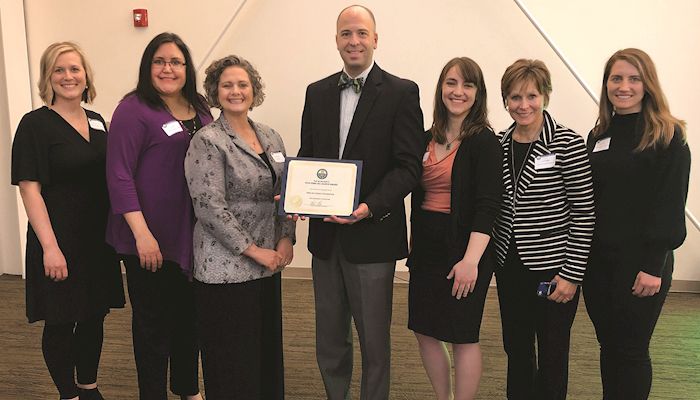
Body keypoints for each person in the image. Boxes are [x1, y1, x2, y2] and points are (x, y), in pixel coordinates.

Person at [297, 5, 425, 400]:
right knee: (329, 338)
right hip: (325, 240)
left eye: (361, 34)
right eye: (346, 34)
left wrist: (368, 207)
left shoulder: (402, 92)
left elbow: (408, 167)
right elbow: (308, 155)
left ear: (375, 39)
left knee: (374, 342)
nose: (354, 41)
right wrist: (297, 191)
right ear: (336, 39)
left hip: (372, 237)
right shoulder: (316, 92)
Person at [11, 41, 125, 400]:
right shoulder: (35, 124)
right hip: (57, 239)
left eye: (74, 69)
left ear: (86, 75)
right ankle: (68, 394)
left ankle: (89, 387)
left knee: (94, 314)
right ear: (48, 77)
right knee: (62, 319)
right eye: (58, 70)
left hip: (96, 240)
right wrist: (49, 248)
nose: (68, 76)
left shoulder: (97, 120)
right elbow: (29, 189)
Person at [105, 32, 212, 400]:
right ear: (147, 66)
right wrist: (141, 234)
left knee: (189, 319)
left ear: (187, 68)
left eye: (176, 62)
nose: (168, 68)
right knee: (153, 326)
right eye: (159, 61)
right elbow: (118, 173)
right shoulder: (133, 109)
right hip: (148, 238)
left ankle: (186, 389)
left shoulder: (199, 107)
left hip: (192, 236)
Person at [184, 55, 295, 400]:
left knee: (263, 354)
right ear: (216, 92)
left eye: (243, 84)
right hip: (225, 268)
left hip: (268, 264)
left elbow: (289, 192)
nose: (236, 91)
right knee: (232, 360)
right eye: (227, 85)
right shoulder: (208, 140)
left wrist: (286, 239)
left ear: (254, 89)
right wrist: (253, 250)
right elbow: (209, 206)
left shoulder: (271, 136)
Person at [584, 48, 690, 400]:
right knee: (608, 345)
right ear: (606, 85)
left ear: (648, 84)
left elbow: (670, 204)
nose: (624, 86)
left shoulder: (668, 136)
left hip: (642, 265)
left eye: (633, 78)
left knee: (631, 349)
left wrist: (652, 265)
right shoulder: (598, 136)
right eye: (616, 78)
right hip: (599, 265)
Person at [491, 59, 595, 400]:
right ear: (505, 99)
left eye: (531, 96)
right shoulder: (500, 143)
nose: (523, 105)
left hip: (553, 270)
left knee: (552, 351)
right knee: (516, 347)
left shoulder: (567, 143)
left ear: (545, 96)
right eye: (515, 97)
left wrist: (572, 274)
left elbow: (584, 212)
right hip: (510, 266)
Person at [407, 57, 502, 400]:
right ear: (441, 88)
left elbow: (488, 206)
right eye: (451, 83)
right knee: (424, 330)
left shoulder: (485, 142)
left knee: (463, 335)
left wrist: (471, 261)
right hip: (427, 248)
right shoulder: (424, 139)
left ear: (478, 93)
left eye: (468, 84)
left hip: (466, 249)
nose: (458, 91)